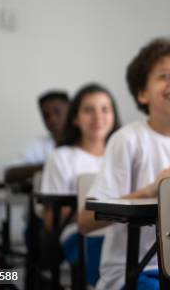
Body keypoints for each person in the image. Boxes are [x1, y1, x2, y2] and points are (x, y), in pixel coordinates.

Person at [79, 38, 170, 290]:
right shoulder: (127, 140)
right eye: (165, 76)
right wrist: (151, 190)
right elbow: (86, 222)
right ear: (142, 93)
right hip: (134, 270)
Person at [40, 83, 120, 286]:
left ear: (113, 115)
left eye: (105, 109)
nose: (98, 116)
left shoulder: (122, 156)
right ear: (74, 118)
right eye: (88, 110)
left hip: (122, 231)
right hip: (81, 235)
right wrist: (99, 211)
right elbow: (51, 219)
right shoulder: (61, 158)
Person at [21, 90, 69, 164]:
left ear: (71, 111)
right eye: (46, 115)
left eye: (57, 112)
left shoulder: (85, 141)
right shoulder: (38, 145)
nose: (52, 119)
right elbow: (12, 171)